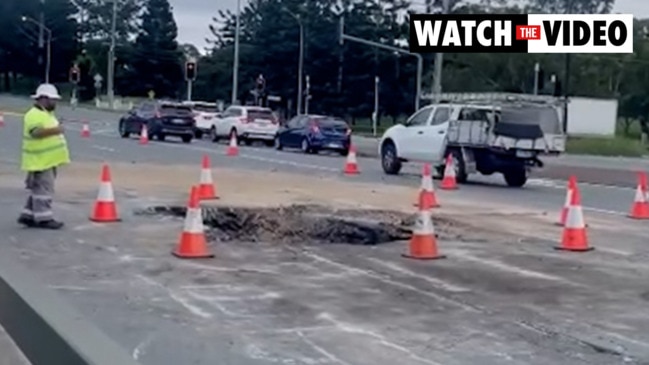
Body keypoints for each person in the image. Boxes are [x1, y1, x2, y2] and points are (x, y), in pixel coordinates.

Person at [17, 83, 70, 229]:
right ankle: (44, 218)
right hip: (40, 161)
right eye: (53, 99)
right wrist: (57, 130)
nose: (55, 103)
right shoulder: (34, 115)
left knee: (38, 189)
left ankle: (28, 215)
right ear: (44, 99)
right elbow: (36, 133)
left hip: (46, 160)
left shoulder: (45, 114)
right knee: (44, 190)